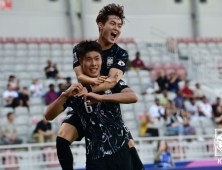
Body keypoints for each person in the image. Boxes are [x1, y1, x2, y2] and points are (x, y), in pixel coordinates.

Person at [55, 4, 144, 170]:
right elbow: (80, 76)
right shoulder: (81, 49)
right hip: (85, 106)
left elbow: (112, 81)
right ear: (101, 24)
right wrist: (84, 90)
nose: (116, 28)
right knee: (62, 138)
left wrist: (88, 90)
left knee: (129, 147)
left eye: (119, 26)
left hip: (106, 106)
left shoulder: (120, 53)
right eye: (113, 24)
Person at [45, 41, 142, 170]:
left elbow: (133, 97)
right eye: (88, 59)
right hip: (96, 160)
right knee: (62, 140)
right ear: (81, 61)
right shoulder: (76, 91)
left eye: (97, 58)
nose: (93, 64)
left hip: (121, 154)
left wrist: (101, 97)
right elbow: (49, 116)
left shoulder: (111, 82)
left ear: (101, 59)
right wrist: (64, 95)